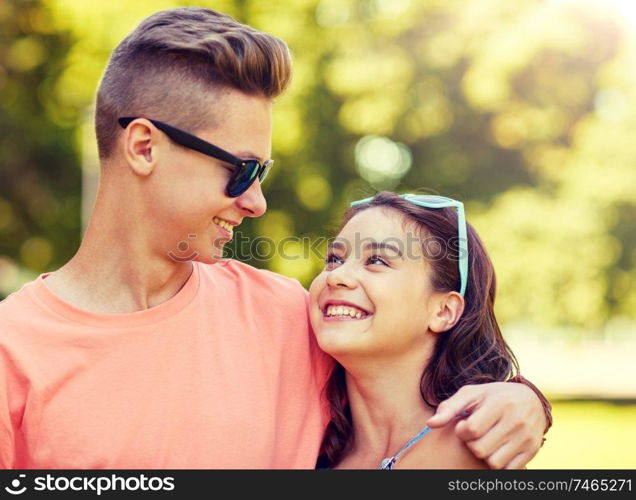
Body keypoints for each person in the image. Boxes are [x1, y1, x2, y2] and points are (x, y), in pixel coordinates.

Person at [0, 7, 550, 469]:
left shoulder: (289, 315)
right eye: (241, 170)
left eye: (262, 174)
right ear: (144, 147)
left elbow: (414, 374)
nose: (256, 202)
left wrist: (524, 401)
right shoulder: (13, 353)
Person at [310, 192, 544, 469]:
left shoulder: (472, 452)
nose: (336, 276)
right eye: (334, 259)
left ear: (443, 311)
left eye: (377, 261)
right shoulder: (307, 449)